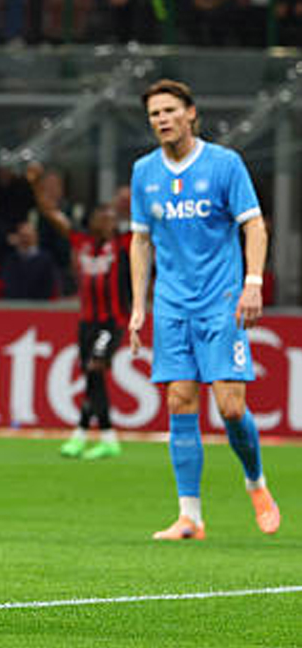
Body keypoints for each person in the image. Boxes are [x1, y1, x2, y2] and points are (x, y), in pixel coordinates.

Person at [127, 79, 279, 541]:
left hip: (220, 301)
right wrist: (138, 305)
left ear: (191, 113)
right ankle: (190, 515)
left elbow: (254, 226)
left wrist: (251, 284)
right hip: (173, 302)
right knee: (179, 399)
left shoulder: (223, 164)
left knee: (231, 408)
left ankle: (256, 481)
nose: (162, 119)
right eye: (155, 113)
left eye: (170, 110)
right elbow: (140, 240)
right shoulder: (144, 172)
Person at [36, 198, 132, 460]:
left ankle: (100, 435)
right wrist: (36, 185)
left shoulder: (123, 242)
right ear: (91, 221)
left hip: (113, 321)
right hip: (86, 323)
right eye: (102, 217)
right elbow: (50, 212)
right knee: (92, 377)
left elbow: (154, 227)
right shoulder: (82, 242)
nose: (107, 222)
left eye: (111, 217)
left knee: (95, 369)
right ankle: (87, 437)